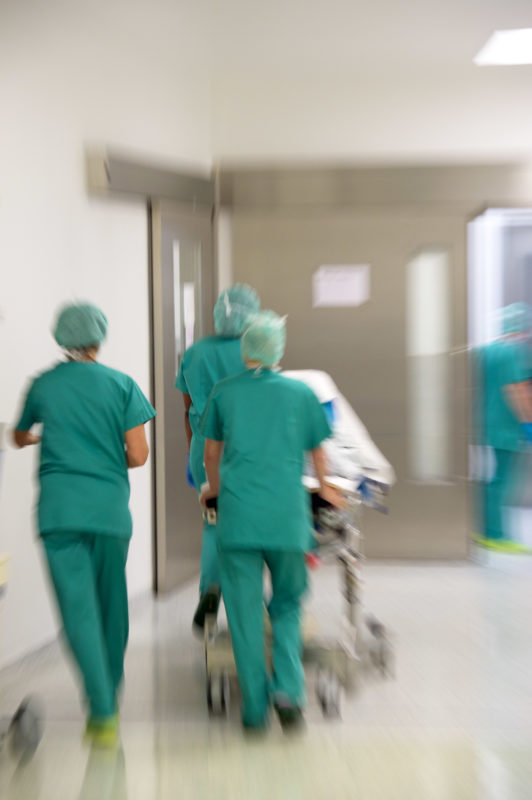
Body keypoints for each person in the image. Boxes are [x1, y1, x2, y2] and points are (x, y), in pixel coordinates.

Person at [13, 302, 155, 747]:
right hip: (109, 511)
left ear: (61, 338)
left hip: (59, 513)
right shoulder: (121, 385)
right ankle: (108, 690)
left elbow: (18, 435)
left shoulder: (43, 385)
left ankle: (101, 706)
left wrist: (40, 437)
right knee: (112, 604)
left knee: (77, 610)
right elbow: (138, 454)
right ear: (99, 338)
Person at [200, 310, 344, 732]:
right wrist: (325, 487)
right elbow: (319, 449)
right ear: (277, 349)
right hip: (285, 520)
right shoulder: (299, 393)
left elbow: (211, 453)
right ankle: (289, 696)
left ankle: (253, 711)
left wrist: (214, 489)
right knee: (286, 608)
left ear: (245, 350)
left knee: (244, 617)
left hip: (239, 519)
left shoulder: (224, 393)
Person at [175, 284, 260, 630]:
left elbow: (188, 408)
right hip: (247, 449)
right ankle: (252, 605)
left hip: (204, 446)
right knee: (252, 526)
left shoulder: (194, 353)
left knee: (213, 520)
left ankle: (210, 591)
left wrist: (194, 450)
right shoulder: (255, 350)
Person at [479, 302, 532, 548]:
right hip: (506, 426)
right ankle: (495, 534)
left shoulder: (486, 351)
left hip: (486, 422)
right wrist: (527, 421)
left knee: (492, 479)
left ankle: (486, 529)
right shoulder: (512, 352)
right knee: (503, 479)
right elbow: (517, 389)